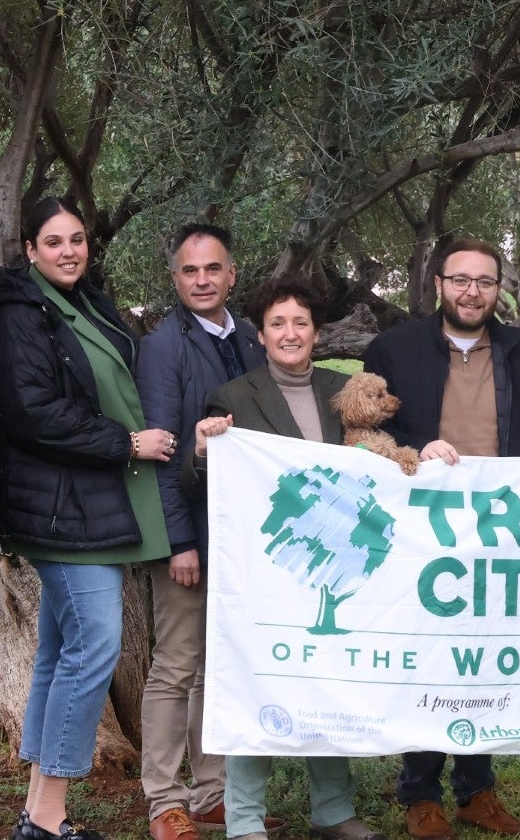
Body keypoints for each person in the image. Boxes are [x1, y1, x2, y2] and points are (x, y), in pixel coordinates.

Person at [0, 196, 176, 840]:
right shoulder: (19, 312)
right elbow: (32, 410)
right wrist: (125, 443)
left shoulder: (86, 300)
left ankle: (37, 811)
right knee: (95, 647)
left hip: (90, 504)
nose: (69, 251)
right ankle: (49, 812)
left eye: (78, 240)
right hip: (61, 508)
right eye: (54, 241)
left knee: (60, 650)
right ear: (30, 250)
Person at [362, 237, 520, 840]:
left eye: (484, 281)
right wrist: (414, 447)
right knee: (429, 657)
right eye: (460, 280)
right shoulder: (393, 348)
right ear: (437, 284)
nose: (472, 291)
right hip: (421, 532)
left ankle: (477, 791)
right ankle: (419, 794)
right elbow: (366, 425)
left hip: (499, 530)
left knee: (481, 659)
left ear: (497, 289)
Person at [192, 279, 386, 840]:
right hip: (267, 567)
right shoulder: (234, 395)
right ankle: (246, 819)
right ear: (261, 334)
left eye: (300, 323)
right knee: (260, 683)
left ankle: (333, 812)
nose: (290, 333)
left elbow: (378, 462)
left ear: (317, 333)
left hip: (339, 558)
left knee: (325, 680)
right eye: (278, 323)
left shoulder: (343, 389)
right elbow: (201, 482)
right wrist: (204, 450)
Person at [134, 224, 268, 840]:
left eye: (212, 269)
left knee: (219, 667)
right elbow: (161, 447)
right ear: (175, 279)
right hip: (190, 531)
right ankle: (165, 799)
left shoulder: (249, 336)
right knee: (177, 665)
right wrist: (178, 542)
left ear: (231, 275)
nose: (202, 280)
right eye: (190, 272)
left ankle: (213, 790)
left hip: (242, 535)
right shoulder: (163, 346)